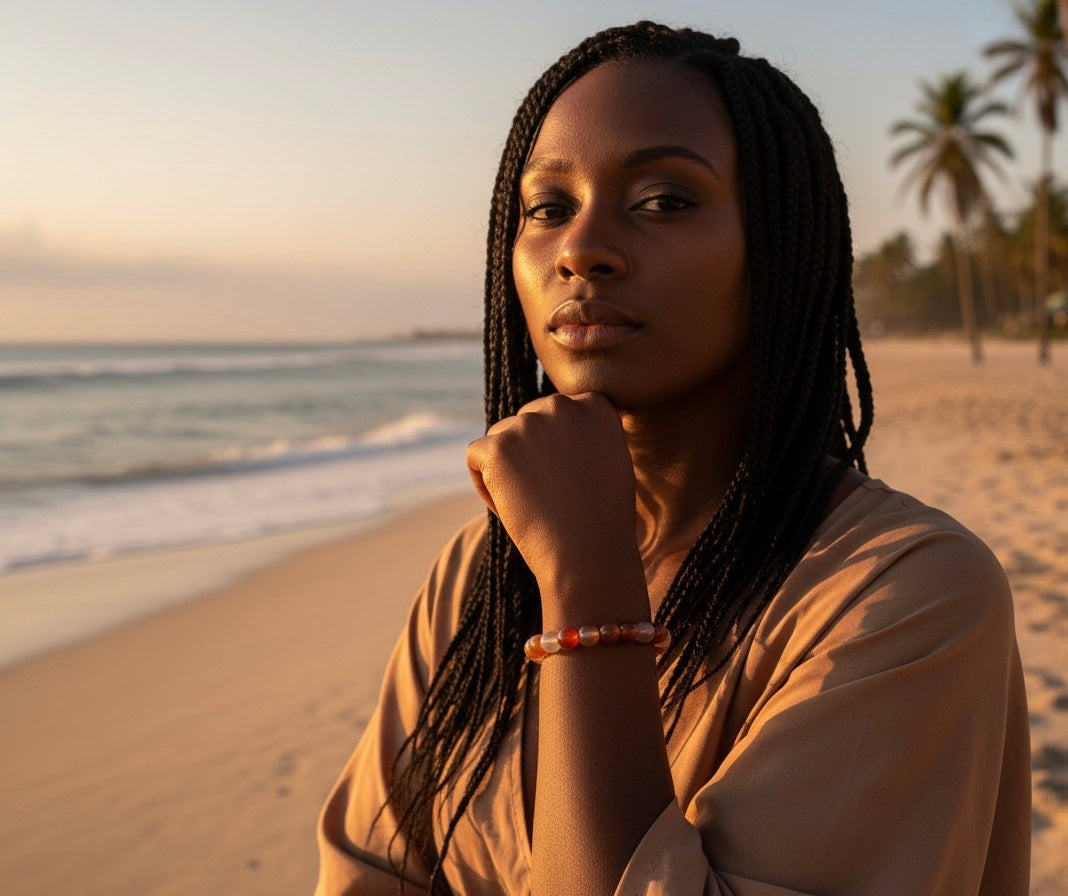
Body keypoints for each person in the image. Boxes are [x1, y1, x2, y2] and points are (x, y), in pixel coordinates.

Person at [315, 22, 1030, 896]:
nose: (580, 249)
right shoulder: (482, 575)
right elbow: (364, 870)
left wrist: (585, 581)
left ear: (777, 251)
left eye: (663, 201)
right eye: (547, 209)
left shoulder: (907, 592)